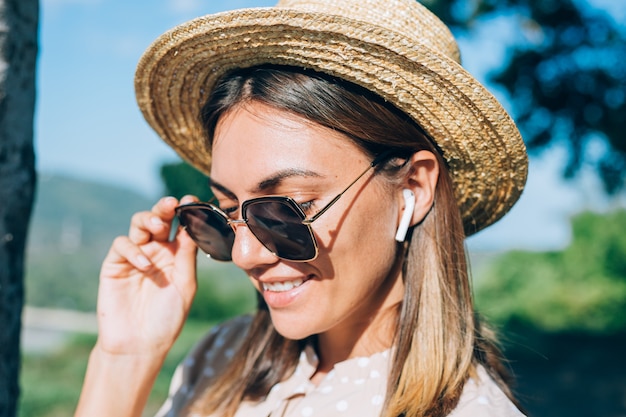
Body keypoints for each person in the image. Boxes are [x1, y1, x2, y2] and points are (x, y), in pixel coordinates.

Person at [74, 0, 529, 416]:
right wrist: (126, 358)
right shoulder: (222, 359)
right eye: (228, 213)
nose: (244, 255)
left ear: (413, 187)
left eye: (290, 207)